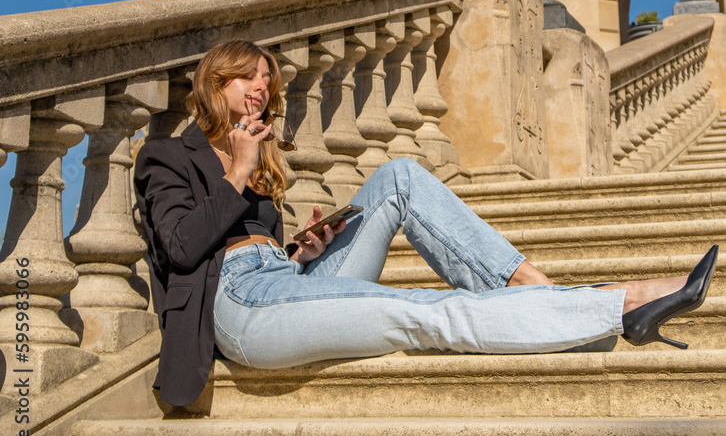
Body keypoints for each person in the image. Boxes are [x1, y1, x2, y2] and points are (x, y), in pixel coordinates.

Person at [134, 40, 719, 408]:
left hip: (284, 278)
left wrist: (304, 252)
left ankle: (533, 289)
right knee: (420, 309)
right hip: (242, 308)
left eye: (266, 78)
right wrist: (237, 171)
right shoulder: (167, 155)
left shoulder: (256, 156)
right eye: (246, 78)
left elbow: (260, 250)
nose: (261, 88)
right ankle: (618, 304)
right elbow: (183, 248)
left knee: (401, 177)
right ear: (215, 84)